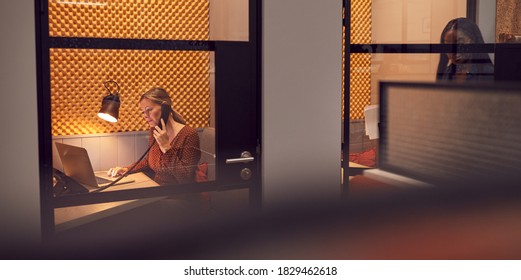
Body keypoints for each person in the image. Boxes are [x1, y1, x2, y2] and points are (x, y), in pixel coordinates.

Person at [107, 87, 202, 185]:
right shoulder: (155, 130)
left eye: (149, 110)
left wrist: (166, 148)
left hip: (178, 196)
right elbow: (149, 161)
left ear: (166, 107)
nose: (145, 115)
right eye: (143, 112)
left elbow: (185, 179)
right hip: (157, 190)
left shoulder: (189, 134)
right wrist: (126, 169)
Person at [436, 17, 494, 82]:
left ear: (472, 41)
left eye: (459, 43)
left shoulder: (488, 73)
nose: (454, 51)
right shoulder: (446, 72)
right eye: (448, 45)